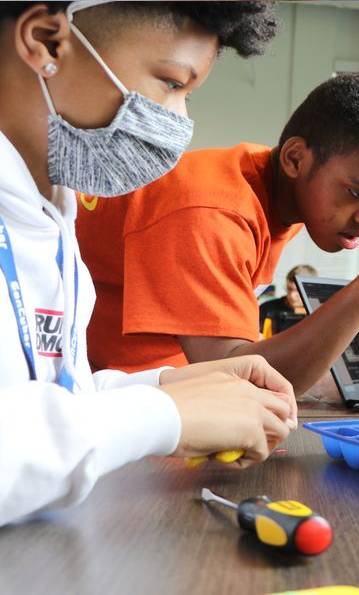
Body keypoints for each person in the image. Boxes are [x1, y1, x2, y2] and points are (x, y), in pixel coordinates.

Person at [0, 1, 295, 526]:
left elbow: (55, 394)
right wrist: (163, 418)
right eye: (170, 82)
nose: (178, 120)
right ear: (46, 42)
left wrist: (169, 387)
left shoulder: (52, 216)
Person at [77, 72, 359, 396]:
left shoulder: (270, 193)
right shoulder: (213, 210)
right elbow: (238, 379)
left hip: (159, 385)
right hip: (107, 401)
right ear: (295, 158)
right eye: (358, 192)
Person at [259, 264, 317, 334]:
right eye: (289, 289)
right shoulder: (266, 309)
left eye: (299, 290)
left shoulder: (318, 312)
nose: (292, 295)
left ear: (311, 290)